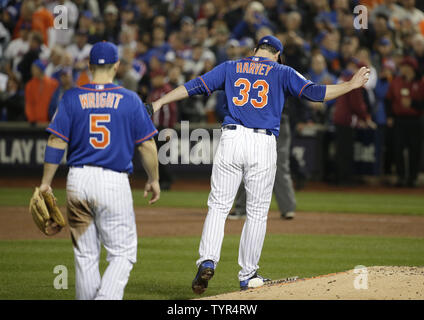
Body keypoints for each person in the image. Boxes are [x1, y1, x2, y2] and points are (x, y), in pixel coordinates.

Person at [152, 35, 371, 294]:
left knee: (219, 206)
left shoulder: (230, 66)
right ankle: (248, 275)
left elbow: (194, 86)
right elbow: (316, 93)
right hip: (263, 143)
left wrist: (159, 102)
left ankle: (208, 260)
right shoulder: (282, 70)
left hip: (231, 138)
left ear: (254, 50)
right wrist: (351, 84)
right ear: (277, 54)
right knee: (256, 212)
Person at [38, 41, 160, 300]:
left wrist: (46, 183)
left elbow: (55, 141)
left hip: (78, 180)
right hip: (113, 181)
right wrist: (154, 179)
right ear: (117, 65)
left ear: (90, 66)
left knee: (85, 255)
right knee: (123, 253)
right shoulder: (129, 99)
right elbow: (147, 145)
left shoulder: (71, 97)